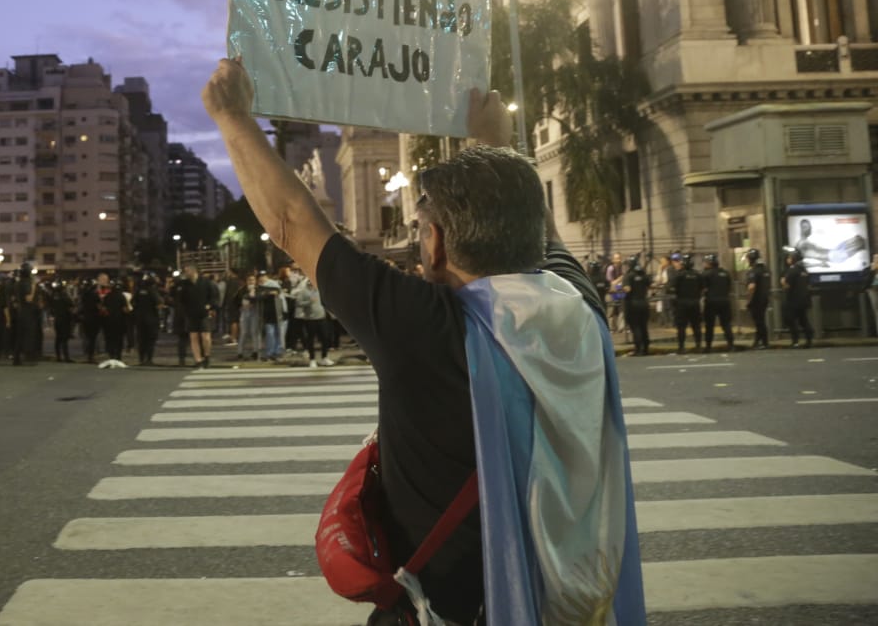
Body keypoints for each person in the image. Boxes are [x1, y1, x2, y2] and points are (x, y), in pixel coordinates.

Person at [203, 56, 644, 625]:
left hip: (456, 608)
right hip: (571, 597)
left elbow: (291, 221)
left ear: (434, 242)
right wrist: (493, 147)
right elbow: (541, 232)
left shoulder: (430, 327)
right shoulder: (578, 303)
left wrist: (230, 114)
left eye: (418, 230)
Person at [175, 264, 219, 368]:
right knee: (193, 336)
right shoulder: (184, 284)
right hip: (190, 313)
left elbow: (214, 296)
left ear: (194, 271)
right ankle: (198, 359)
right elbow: (180, 298)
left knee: (206, 336)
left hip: (204, 312)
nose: (186, 273)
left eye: (187, 271)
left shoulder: (206, 282)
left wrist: (210, 306)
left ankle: (207, 355)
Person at [668, 254, 703, 353]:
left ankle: (681, 347)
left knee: (681, 327)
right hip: (695, 303)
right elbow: (703, 288)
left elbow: (671, 288)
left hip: (682, 304)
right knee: (696, 326)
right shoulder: (697, 274)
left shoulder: (679, 275)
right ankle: (698, 345)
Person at [700, 254, 734, 352]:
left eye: (705, 262)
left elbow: (703, 289)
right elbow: (729, 287)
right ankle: (731, 344)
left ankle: (708, 346)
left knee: (709, 325)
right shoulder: (725, 273)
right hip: (725, 301)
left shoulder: (706, 274)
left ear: (709, 263)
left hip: (711, 302)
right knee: (726, 324)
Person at [781, 249, 814, 348]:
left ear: (793, 259)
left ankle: (795, 341)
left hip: (793, 300)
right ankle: (809, 340)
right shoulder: (804, 270)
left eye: (790, 257)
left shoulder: (792, 270)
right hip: (804, 299)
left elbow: (787, 285)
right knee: (803, 320)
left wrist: (783, 282)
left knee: (791, 320)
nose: (788, 259)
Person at [622, 255, 653, 356]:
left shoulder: (629, 275)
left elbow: (627, 289)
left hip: (633, 304)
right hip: (644, 303)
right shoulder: (644, 274)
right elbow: (651, 285)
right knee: (644, 326)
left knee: (635, 327)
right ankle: (646, 348)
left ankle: (638, 349)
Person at [129, 274, 161, 365]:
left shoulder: (138, 291)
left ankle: (141, 359)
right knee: (150, 339)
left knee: (141, 339)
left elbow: (132, 302)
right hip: (151, 318)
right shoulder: (152, 290)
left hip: (139, 318)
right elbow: (159, 303)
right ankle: (149, 359)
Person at [745, 248, 771, 349]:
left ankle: (764, 342)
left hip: (756, 300)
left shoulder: (753, 271)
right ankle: (758, 342)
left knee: (759, 322)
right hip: (764, 298)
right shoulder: (765, 269)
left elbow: (751, 287)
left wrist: (749, 299)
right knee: (760, 321)